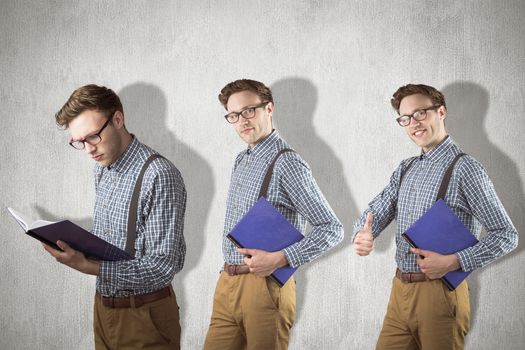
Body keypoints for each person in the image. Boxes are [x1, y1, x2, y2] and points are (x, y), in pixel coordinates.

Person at [352, 84, 518, 350]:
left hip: (441, 295)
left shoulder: (466, 168)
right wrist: (363, 232)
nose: (413, 124)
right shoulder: (406, 168)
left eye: (420, 113)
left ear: (441, 112)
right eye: (405, 118)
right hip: (400, 291)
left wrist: (454, 261)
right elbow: (377, 210)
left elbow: (506, 235)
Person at [204, 79, 343, 350]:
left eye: (249, 111)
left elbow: (331, 228)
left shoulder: (287, 162)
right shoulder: (241, 160)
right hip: (227, 283)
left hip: (265, 287)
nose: (242, 120)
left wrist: (281, 258)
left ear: (269, 108)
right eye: (234, 115)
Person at [45, 84, 186, 349]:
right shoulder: (102, 168)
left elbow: (161, 267)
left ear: (118, 120)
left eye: (93, 137)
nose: (88, 149)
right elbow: (113, 240)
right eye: (79, 141)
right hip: (103, 308)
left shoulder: (159, 175)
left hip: (144, 315)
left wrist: (89, 266)